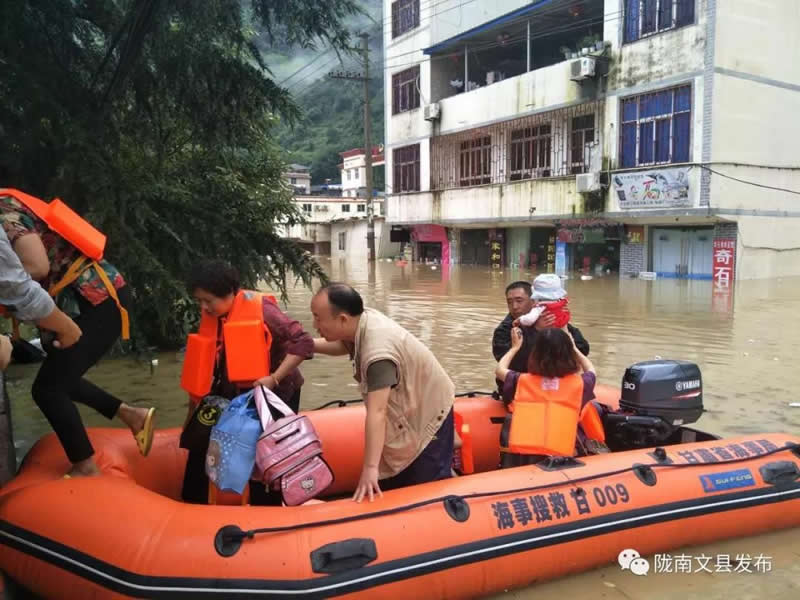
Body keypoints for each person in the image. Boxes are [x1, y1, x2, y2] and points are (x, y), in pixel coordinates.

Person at [0, 189, 156, 478]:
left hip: (96, 299)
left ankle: (85, 466)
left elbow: (37, 265)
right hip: (86, 301)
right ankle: (133, 414)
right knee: (59, 379)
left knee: (47, 389)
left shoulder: (5, 212)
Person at [180, 259, 314, 504]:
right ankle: (191, 504)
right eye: (199, 300)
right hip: (234, 392)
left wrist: (273, 378)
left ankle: (269, 513)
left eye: (208, 300)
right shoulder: (215, 315)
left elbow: (304, 342)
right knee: (197, 445)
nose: (204, 306)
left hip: (276, 394)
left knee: (266, 459)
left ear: (230, 293)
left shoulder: (263, 311)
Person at [311, 283, 454, 502]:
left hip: (428, 413)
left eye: (318, 318)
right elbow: (346, 346)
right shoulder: (361, 322)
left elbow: (377, 413)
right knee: (395, 479)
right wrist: (309, 345)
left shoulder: (378, 353)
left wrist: (370, 468)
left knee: (425, 492)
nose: (315, 324)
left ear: (342, 319)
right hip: (412, 401)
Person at [495, 326, 602, 466]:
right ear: (568, 355)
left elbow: (500, 370)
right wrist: (575, 348)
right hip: (561, 460)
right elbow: (591, 370)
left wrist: (515, 348)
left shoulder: (522, 380)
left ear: (535, 354)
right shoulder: (580, 383)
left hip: (524, 457)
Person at [492, 281, 589, 392]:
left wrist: (560, 330)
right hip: (520, 389)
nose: (514, 307)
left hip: (557, 387)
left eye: (519, 301)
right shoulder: (504, 330)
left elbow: (583, 349)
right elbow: (514, 364)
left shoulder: (552, 320)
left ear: (534, 301)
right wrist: (536, 331)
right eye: (509, 302)